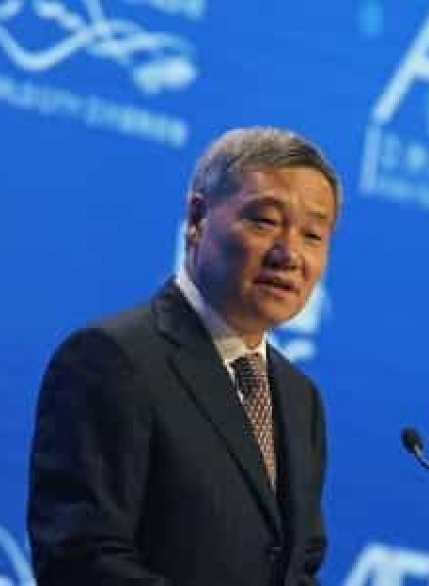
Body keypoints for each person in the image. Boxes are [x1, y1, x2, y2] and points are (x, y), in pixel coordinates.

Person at [27, 126, 341, 586]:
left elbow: (300, 567)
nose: (289, 254)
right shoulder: (113, 359)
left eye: (313, 234)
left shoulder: (300, 399)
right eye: (265, 221)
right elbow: (80, 558)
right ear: (197, 218)